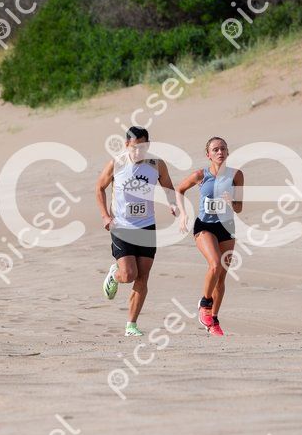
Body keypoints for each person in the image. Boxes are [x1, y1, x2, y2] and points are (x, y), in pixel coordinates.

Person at [95, 126, 178, 336]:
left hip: (147, 227)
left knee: (143, 276)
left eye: (142, 147)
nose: (138, 151)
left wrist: (172, 203)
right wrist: (105, 216)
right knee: (129, 274)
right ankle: (115, 275)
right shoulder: (117, 164)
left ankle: (131, 325)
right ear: (126, 145)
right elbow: (99, 188)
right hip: (121, 226)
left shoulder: (156, 164)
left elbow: (168, 187)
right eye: (134, 147)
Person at [175, 136, 243, 337]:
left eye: (223, 149)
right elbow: (179, 190)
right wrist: (183, 214)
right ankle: (205, 303)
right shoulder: (200, 175)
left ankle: (213, 320)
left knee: (221, 278)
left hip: (226, 227)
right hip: (204, 226)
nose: (220, 152)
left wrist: (232, 202)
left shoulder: (236, 175)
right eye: (215, 150)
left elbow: (239, 208)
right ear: (208, 155)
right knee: (215, 264)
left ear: (228, 152)